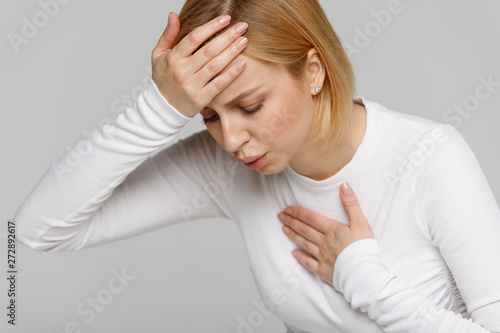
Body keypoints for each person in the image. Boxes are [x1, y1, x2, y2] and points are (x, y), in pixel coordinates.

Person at [13, 0, 500, 332]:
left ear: (313, 70)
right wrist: (159, 108)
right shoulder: (227, 166)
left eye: (249, 107)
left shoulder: (430, 158)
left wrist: (364, 280)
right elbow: (38, 230)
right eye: (207, 115)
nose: (231, 140)